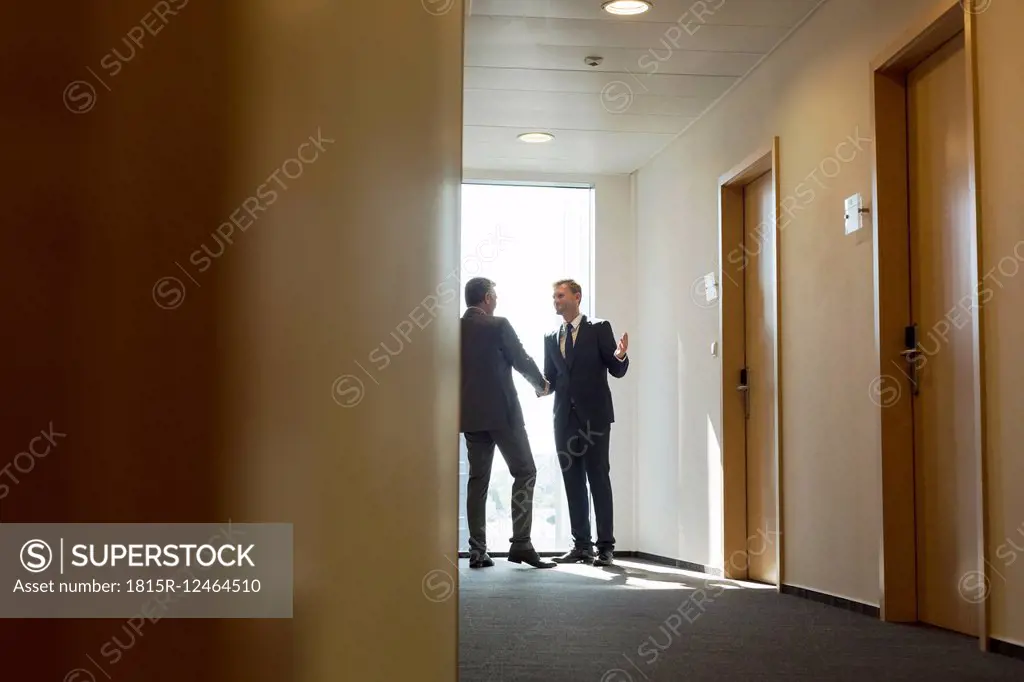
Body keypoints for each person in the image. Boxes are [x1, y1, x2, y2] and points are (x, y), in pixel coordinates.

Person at [460, 277, 555, 569]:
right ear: (487, 297)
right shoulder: (498, 325)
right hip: (503, 413)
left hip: (469, 416)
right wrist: (541, 385)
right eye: (495, 296)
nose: (497, 301)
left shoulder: (451, 329)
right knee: (525, 471)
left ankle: (477, 551)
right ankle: (521, 545)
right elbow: (520, 359)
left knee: (478, 481)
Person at [537, 278, 628, 567]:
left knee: (598, 479)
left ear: (577, 297)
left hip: (595, 417)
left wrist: (621, 355)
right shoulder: (551, 336)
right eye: (553, 296)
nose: (556, 300)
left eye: (560, 295)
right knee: (572, 481)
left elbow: (616, 369)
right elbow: (550, 377)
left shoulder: (599, 328)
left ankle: (605, 548)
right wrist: (540, 386)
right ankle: (581, 546)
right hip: (563, 419)